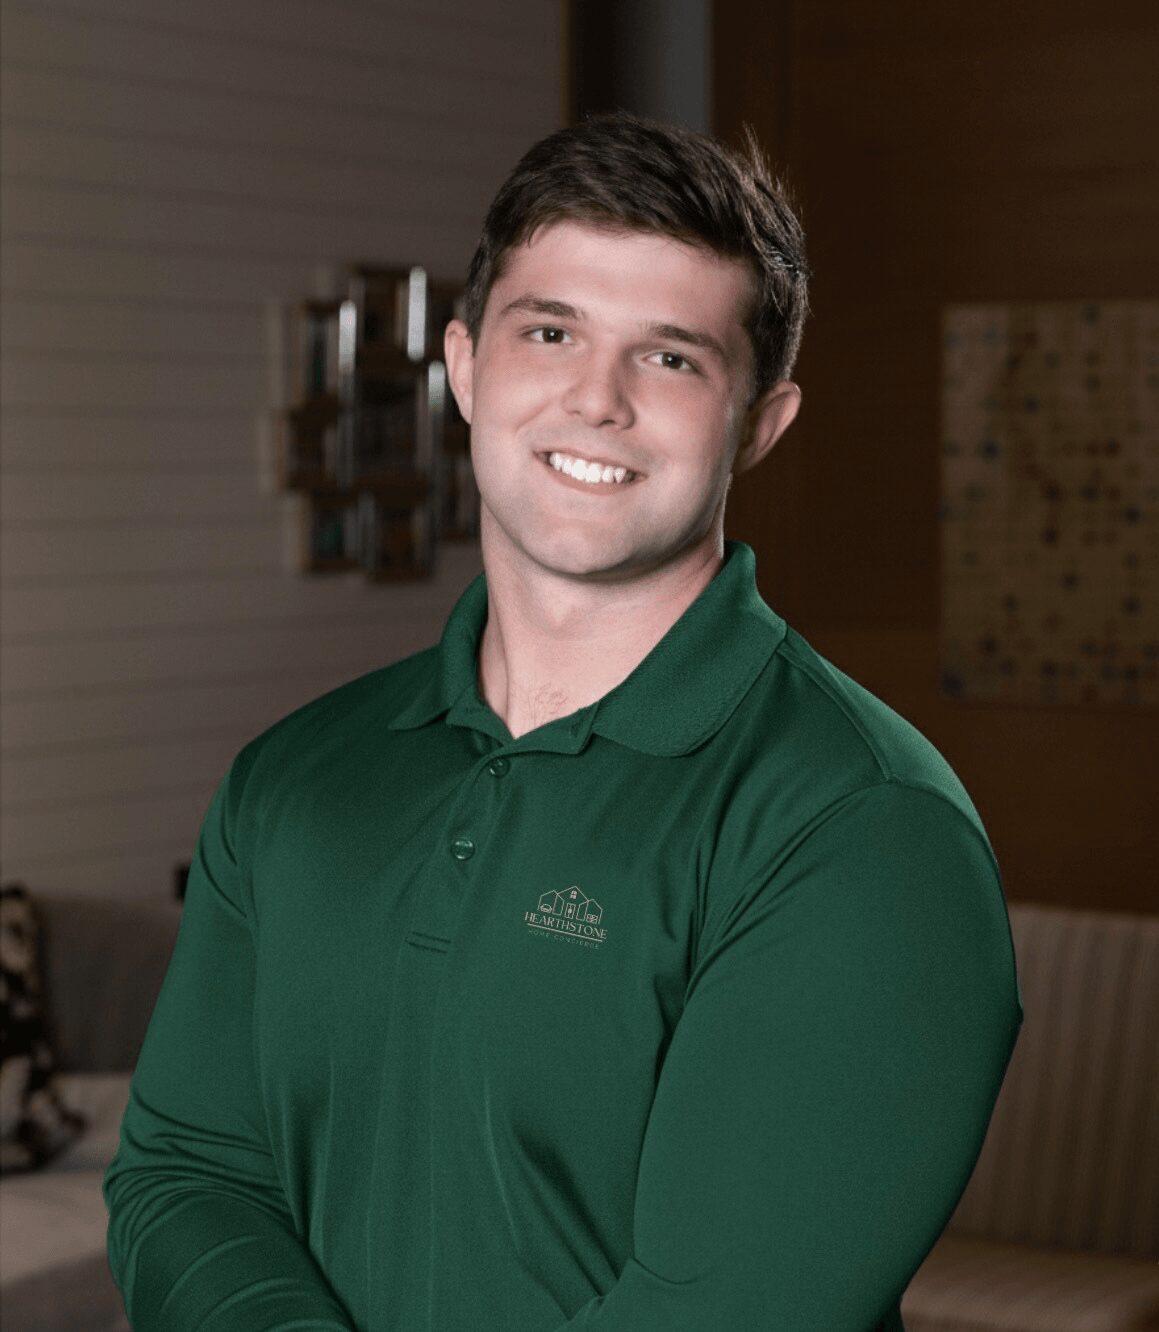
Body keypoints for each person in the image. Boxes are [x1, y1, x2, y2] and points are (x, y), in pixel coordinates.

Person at [104, 110, 1023, 1331]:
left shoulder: (864, 829)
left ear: (759, 423)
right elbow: (186, 1178)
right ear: (465, 364)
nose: (597, 399)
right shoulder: (295, 777)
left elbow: (719, 1312)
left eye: (672, 358)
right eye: (551, 332)